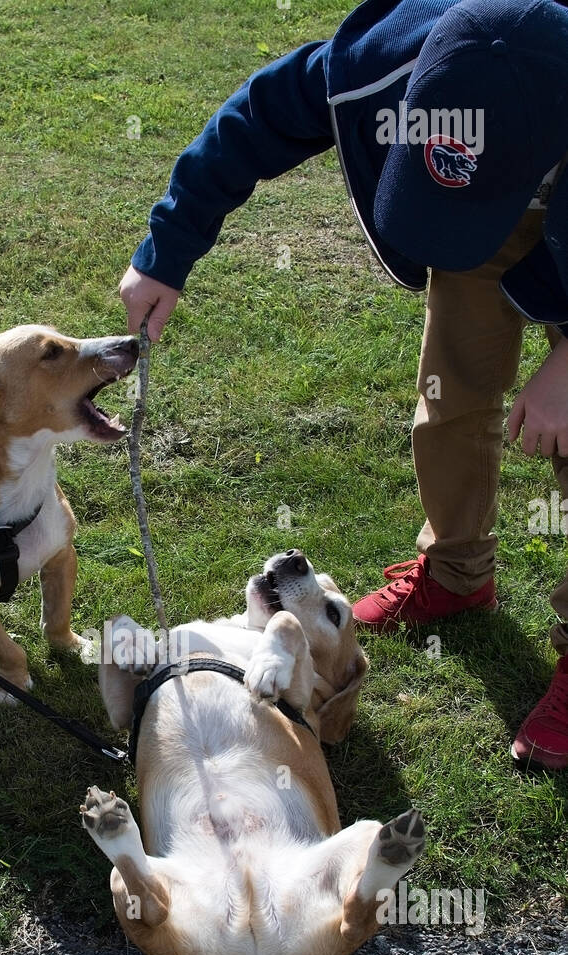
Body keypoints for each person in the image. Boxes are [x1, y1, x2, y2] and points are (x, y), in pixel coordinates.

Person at [119, 0, 568, 770]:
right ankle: (457, 572)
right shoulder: (380, 64)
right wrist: (168, 248)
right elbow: (255, 119)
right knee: (450, 388)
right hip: (503, 189)